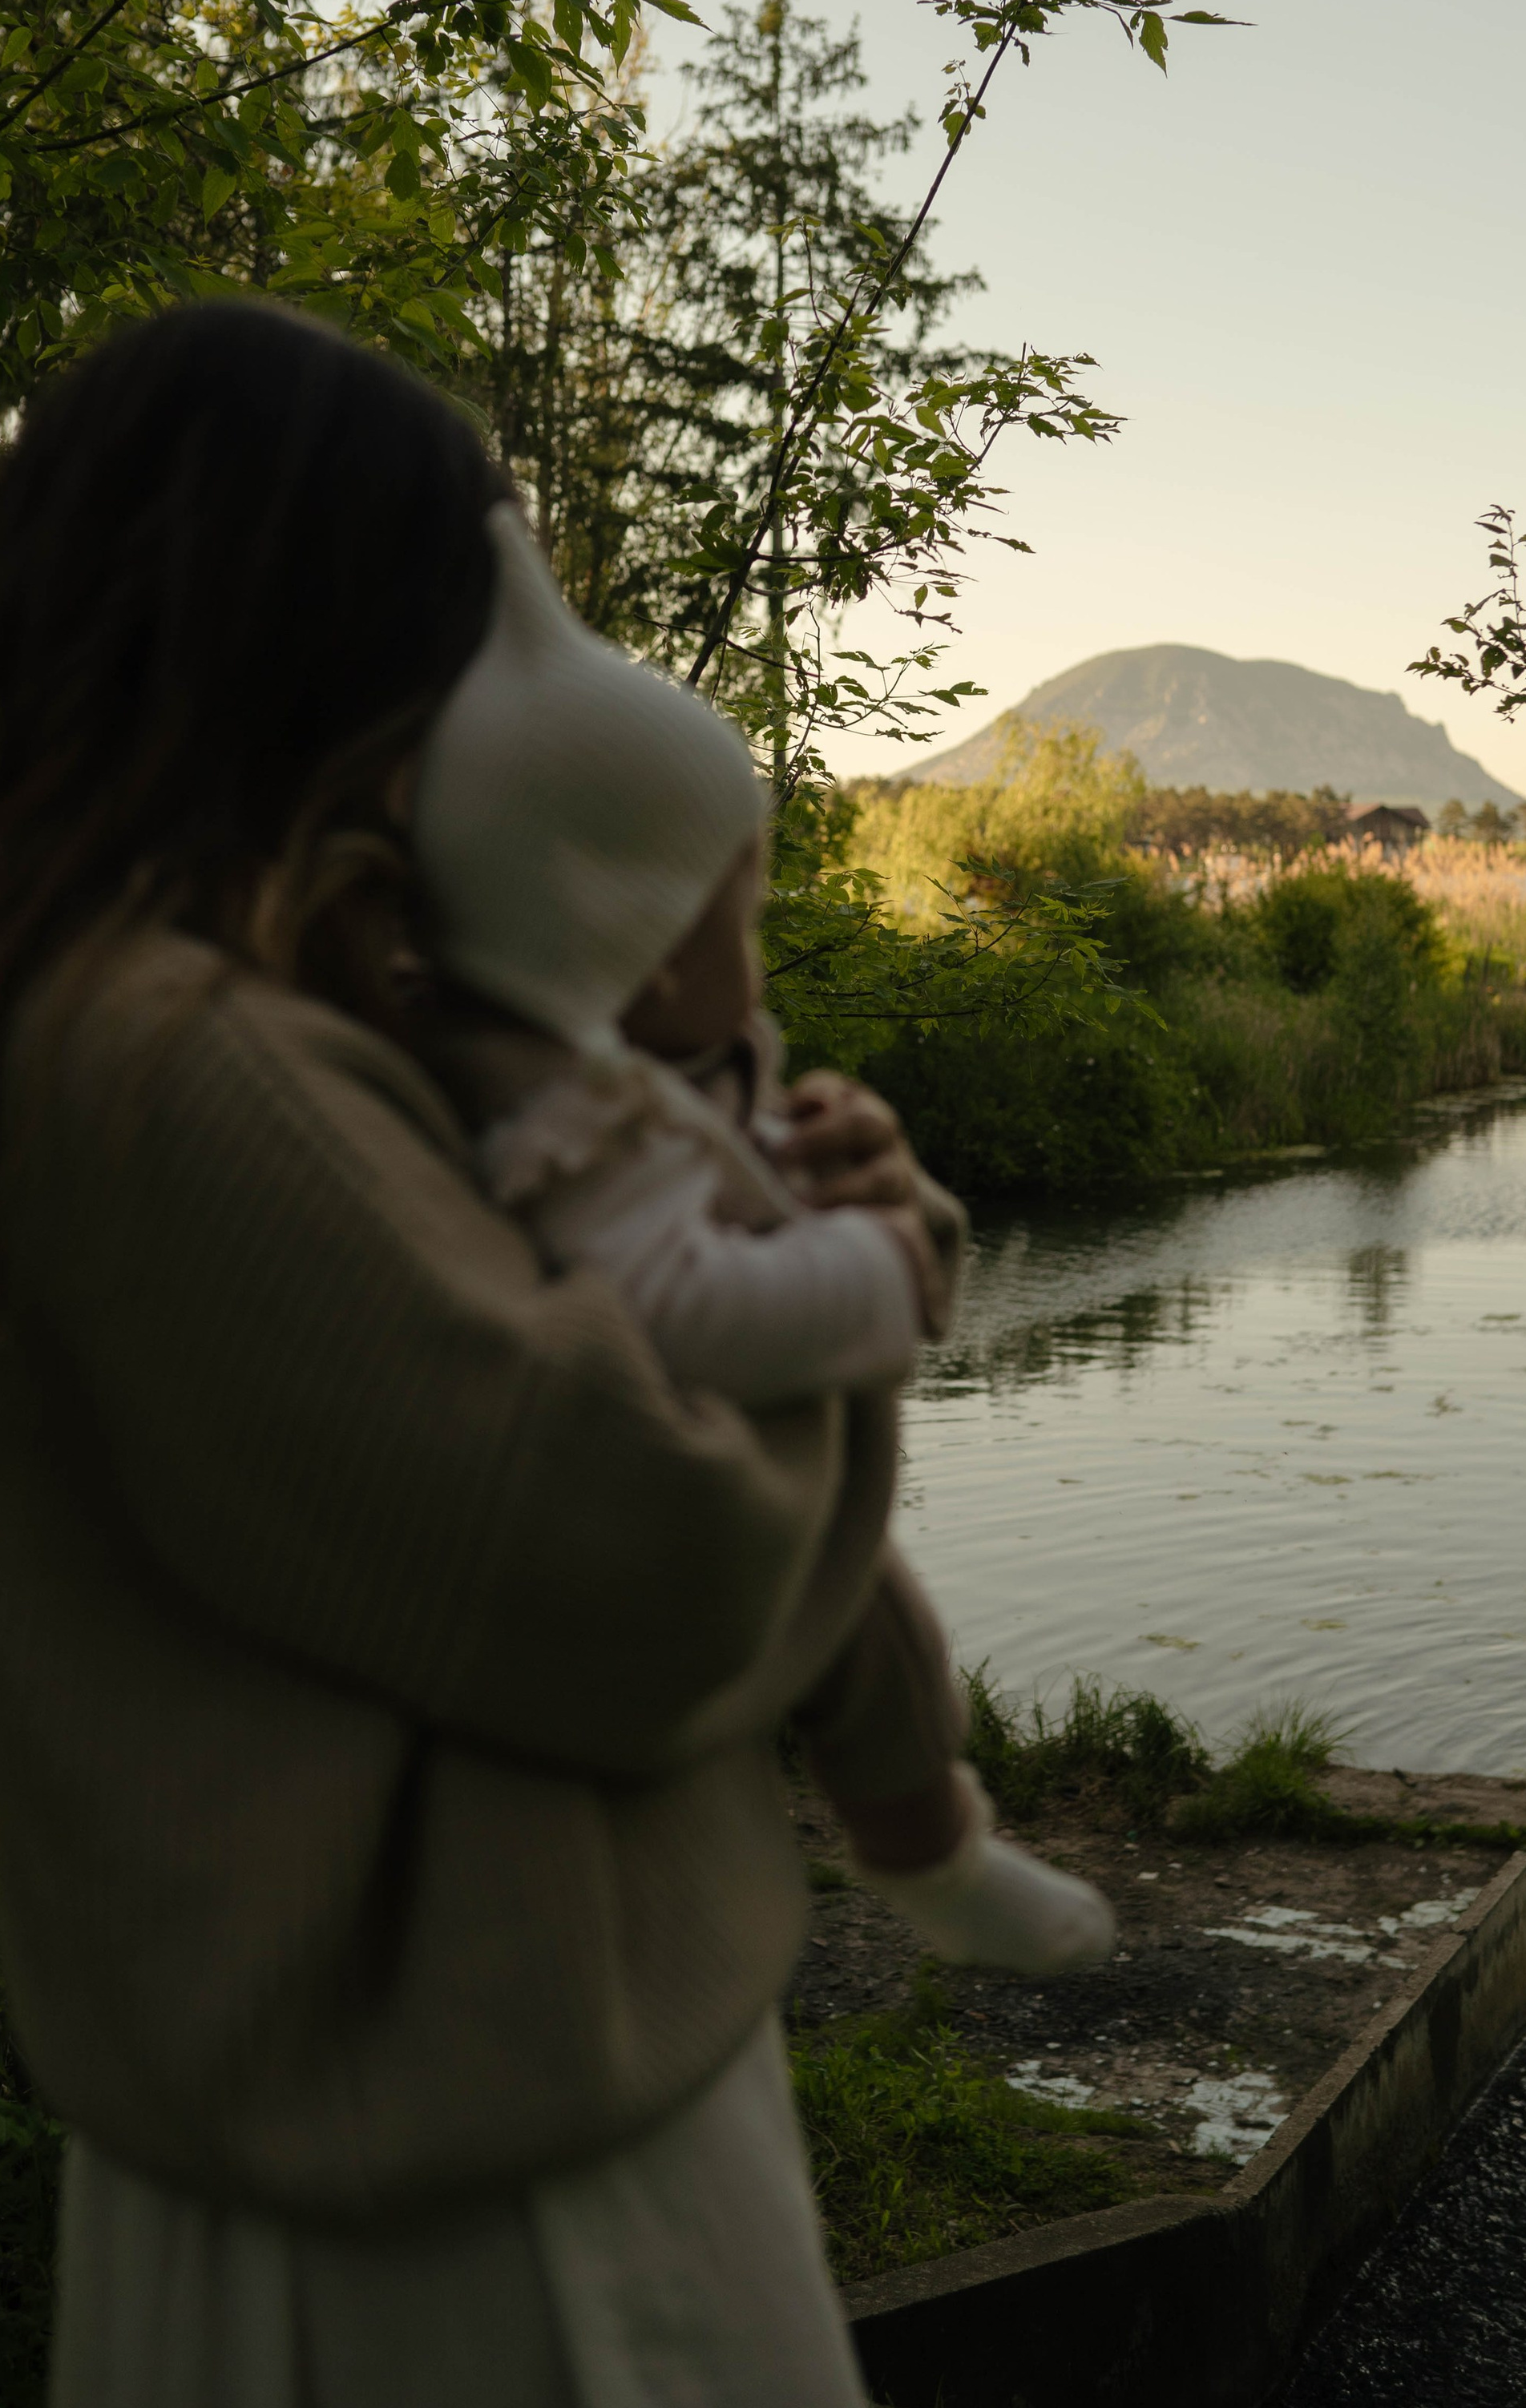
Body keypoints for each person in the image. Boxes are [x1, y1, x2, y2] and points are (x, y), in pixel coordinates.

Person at [0, 300, 1092, 2408]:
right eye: (478, 613)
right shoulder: (175, 1059)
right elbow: (633, 1553)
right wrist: (856, 1294)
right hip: (475, 2222)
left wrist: (767, 1200)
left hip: (396, 2143)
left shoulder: (147, 1009)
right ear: (330, 634)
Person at [411, 495, 1115, 1973]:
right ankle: (930, 1854)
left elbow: (737, 1193)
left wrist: (843, 1172)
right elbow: (670, 1299)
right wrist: (878, 1267)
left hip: (725, 1503)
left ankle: (940, 1842)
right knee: (875, 1637)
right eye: (742, 908)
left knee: (893, 1643)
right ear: (632, 941)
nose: (760, 943)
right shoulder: (570, 1117)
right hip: (652, 1522)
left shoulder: (658, 1065)